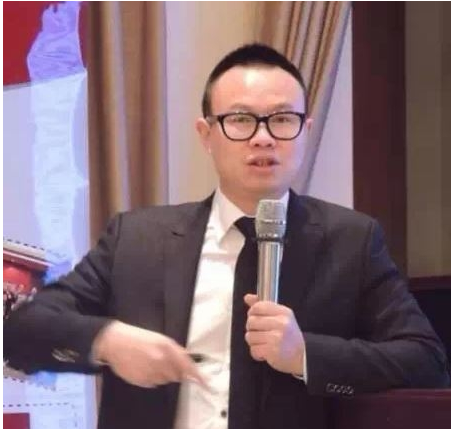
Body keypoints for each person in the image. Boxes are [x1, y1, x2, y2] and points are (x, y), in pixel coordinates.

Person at [4, 44, 449, 429]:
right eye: (240, 119)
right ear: (206, 134)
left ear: (306, 131)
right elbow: (21, 331)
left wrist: (304, 355)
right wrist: (107, 340)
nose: (263, 138)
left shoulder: (351, 241)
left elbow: (426, 361)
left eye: (282, 119)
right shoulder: (137, 239)